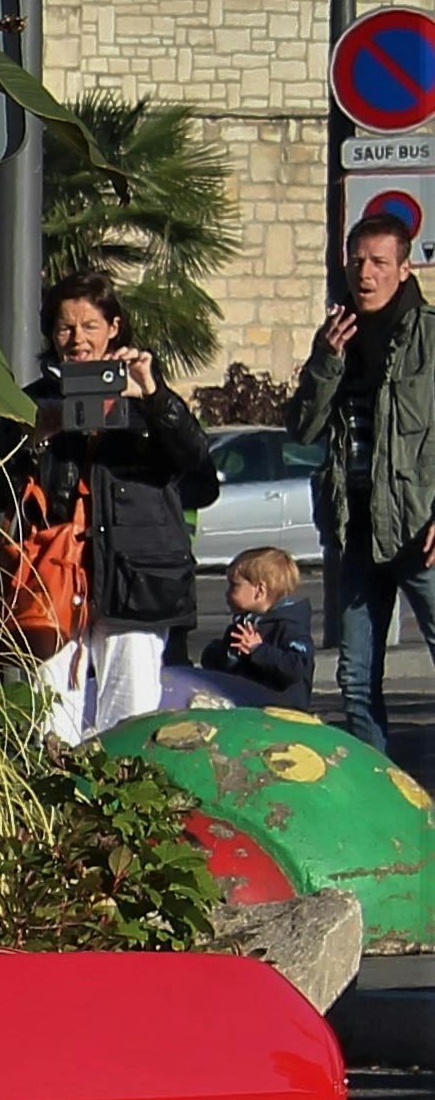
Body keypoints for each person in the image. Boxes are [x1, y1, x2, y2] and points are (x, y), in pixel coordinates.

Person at [15, 272, 215, 739]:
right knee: (49, 718)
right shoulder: (32, 402)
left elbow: (200, 475)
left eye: (90, 326)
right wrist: (36, 441)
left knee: (130, 719)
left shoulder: (149, 398)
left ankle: (119, 809)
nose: (77, 339)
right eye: (65, 327)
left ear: (114, 327)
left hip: (135, 582)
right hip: (56, 580)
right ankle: (56, 805)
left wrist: (152, 397)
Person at [292, 204, 435, 746]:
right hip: (355, 533)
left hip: (420, 531)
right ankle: (381, 809)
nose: (365, 273)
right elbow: (303, 429)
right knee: (354, 682)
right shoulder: (335, 338)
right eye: (357, 262)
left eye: (379, 262)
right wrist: (326, 360)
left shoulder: (428, 337)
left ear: (405, 270)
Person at [165, 546, 322, 709]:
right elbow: (216, 666)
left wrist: (258, 650)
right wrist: (227, 654)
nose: (227, 594)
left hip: (280, 711)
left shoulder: (289, 625)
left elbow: (295, 668)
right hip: (247, 705)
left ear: (259, 591)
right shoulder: (244, 624)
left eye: (234, 586)